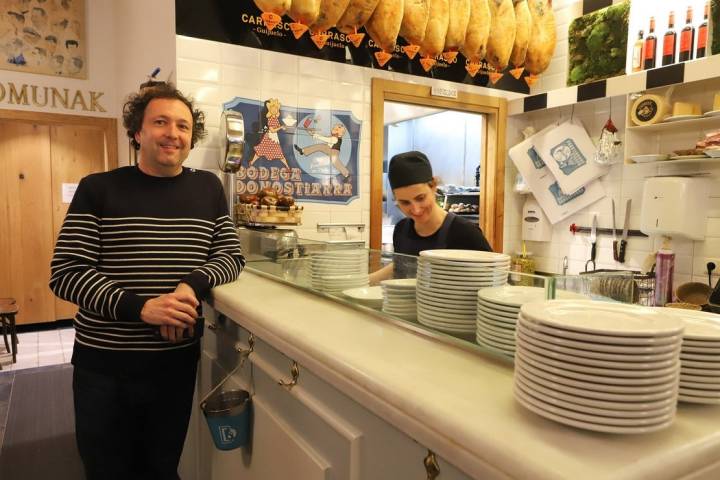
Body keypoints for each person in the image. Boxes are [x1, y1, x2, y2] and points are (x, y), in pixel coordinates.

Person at [49, 82, 245, 480]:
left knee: (160, 467)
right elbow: (67, 272)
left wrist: (190, 286)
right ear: (137, 132)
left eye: (183, 126)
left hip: (173, 364)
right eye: (160, 122)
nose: (173, 133)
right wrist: (143, 308)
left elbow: (230, 257)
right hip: (105, 367)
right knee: (107, 470)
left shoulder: (207, 188)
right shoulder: (98, 188)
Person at [370, 151, 492, 282]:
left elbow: (493, 279)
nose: (416, 210)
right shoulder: (401, 230)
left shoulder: (465, 232)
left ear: (433, 186)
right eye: (405, 202)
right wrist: (363, 282)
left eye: (420, 198)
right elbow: (400, 267)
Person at [250, 97, 289, 168]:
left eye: (276, 109)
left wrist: (283, 127)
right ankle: (252, 162)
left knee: (277, 153)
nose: (275, 110)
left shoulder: (275, 119)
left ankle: (287, 166)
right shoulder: (270, 119)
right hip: (270, 137)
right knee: (261, 150)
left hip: (274, 137)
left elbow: (277, 127)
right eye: (273, 109)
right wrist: (280, 127)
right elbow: (272, 130)